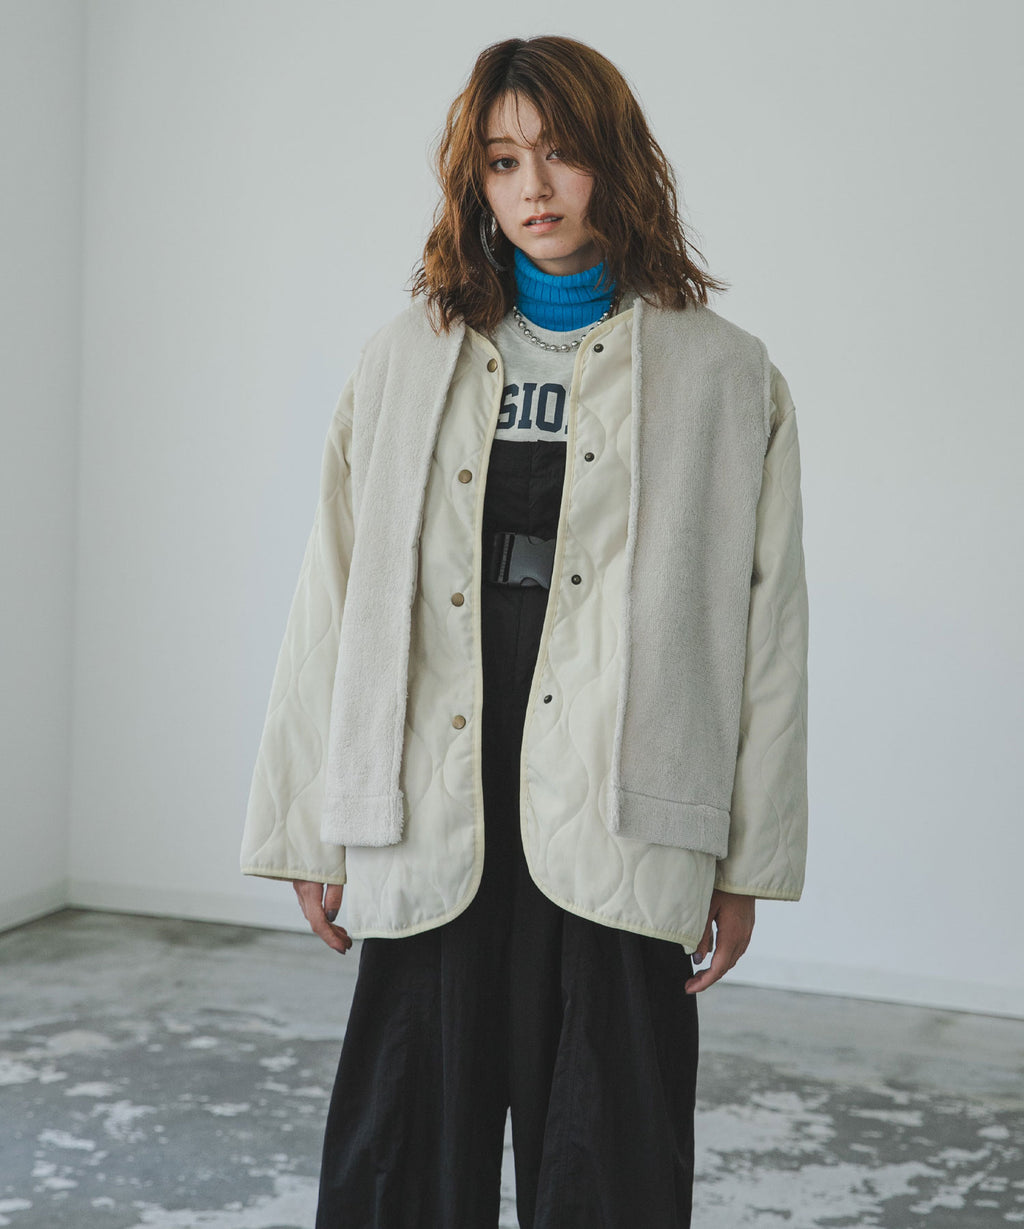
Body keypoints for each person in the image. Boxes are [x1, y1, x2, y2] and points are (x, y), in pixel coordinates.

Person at [240, 33, 808, 1229]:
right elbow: (331, 595)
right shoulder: (404, 360)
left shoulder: (726, 375)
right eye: (503, 162)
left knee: (611, 1147)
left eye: (559, 154)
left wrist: (745, 861)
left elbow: (768, 637)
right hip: (433, 777)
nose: (534, 188)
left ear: (615, 160)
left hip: (621, 784)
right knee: (404, 1144)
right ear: (475, 181)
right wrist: (306, 819)